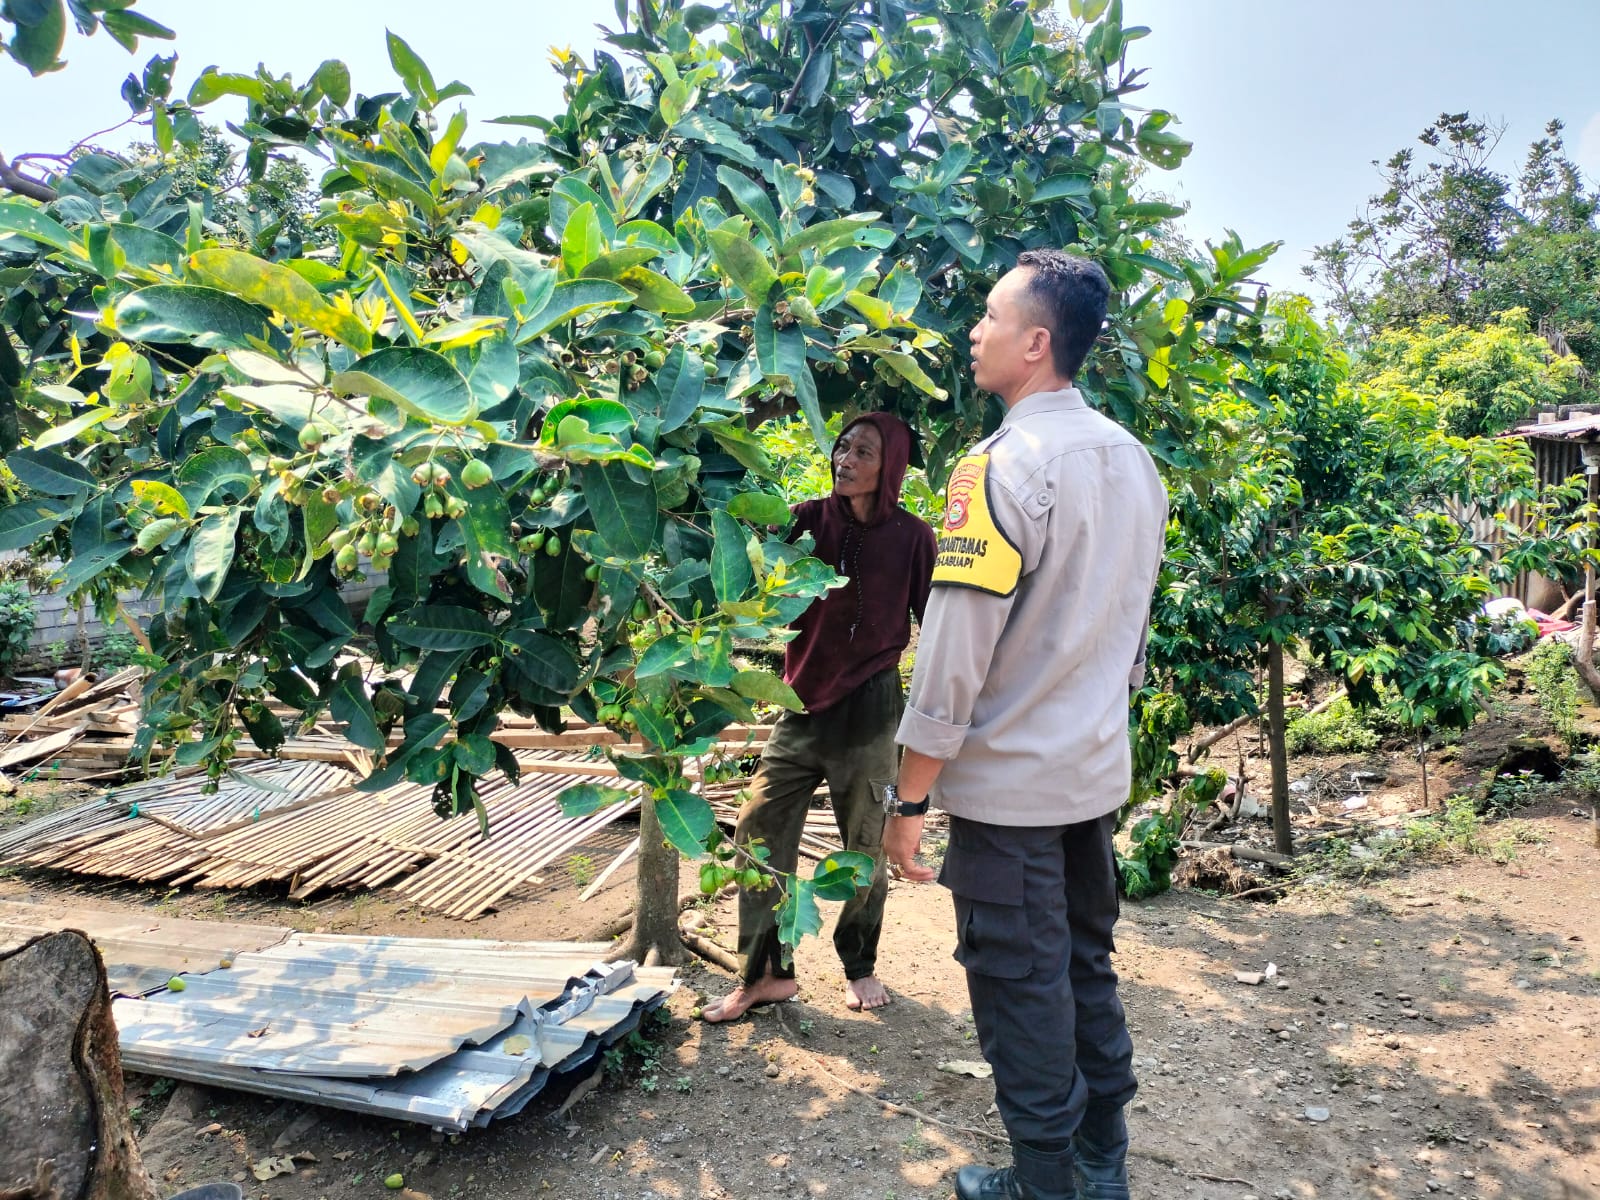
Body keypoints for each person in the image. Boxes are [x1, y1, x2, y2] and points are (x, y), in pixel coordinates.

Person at [883, 250, 1167, 1200]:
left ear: (1037, 343)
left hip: (1009, 796)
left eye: (991, 317)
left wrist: (909, 798)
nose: (975, 332)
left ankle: (1046, 1184)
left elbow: (954, 654)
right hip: (1089, 777)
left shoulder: (1000, 469)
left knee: (1019, 986)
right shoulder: (1133, 460)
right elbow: (1129, 627)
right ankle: (1101, 1165)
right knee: (1083, 966)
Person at [701, 412, 937, 1023]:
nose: (845, 460)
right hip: (800, 705)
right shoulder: (805, 521)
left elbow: (934, 623)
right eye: (842, 447)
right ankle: (766, 973)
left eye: (863, 452)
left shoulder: (913, 538)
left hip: (872, 710)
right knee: (756, 827)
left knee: (865, 843)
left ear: (891, 468)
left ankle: (859, 964)